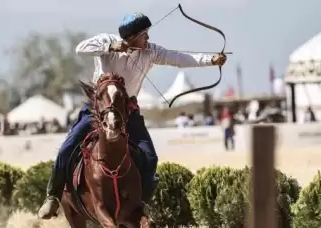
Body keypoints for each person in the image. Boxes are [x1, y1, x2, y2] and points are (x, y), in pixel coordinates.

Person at [38, 12, 227, 219]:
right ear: (133, 36)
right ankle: (53, 196)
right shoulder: (107, 42)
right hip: (99, 109)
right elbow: (80, 49)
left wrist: (211, 59)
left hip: (127, 110)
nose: (148, 39)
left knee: (149, 155)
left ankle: (141, 204)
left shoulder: (150, 52)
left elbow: (179, 58)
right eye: (144, 34)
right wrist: (111, 47)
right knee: (68, 147)